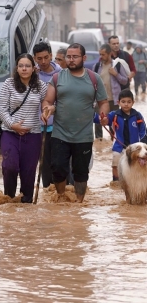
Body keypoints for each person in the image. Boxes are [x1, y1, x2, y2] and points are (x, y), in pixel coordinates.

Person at [41, 43, 109, 203]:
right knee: (57, 169)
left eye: (75, 57)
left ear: (83, 58)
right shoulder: (57, 78)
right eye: (68, 57)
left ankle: (79, 203)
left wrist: (104, 115)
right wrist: (47, 109)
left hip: (83, 135)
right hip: (60, 134)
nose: (71, 60)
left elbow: (103, 102)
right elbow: (48, 100)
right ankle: (62, 197)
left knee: (81, 173)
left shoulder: (94, 78)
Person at [0, 53, 47, 203]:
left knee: (29, 173)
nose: (24, 69)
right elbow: (1, 109)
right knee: (10, 167)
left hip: (33, 136)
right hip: (10, 133)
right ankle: (9, 199)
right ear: (17, 68)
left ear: (33, 68)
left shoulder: (41, 86)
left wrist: (45, 112)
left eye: (27, 66)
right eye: (21, 66)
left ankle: (26, 205)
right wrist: (13, 125)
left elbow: (47, 103)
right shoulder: (9, 84)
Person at [94, 89, 146, 182]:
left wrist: (143, 145)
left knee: (136, 165)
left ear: (133, 103)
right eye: (123, 102)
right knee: (115, 163)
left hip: (134, 148)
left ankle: (134, 181)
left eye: (129, 102)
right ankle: (116, 182)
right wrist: (97, 117)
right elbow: (103, 120)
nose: (126, 104)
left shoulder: (138, 116)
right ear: (118, 102)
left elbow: (143, 131)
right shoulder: (114, 115)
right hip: (118, 147)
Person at [33, 42, 62, 188]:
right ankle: (47, 193)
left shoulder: (61, 74)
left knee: (58, 163)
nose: (43, 62)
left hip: (58, 127)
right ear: (35, 58)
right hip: (38, 127)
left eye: (46, 57)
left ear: (51, 55)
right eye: (39, 59)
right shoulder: (32, 75)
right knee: (43, 163)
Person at [93, 44, 128, 140]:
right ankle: (99, 143)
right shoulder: (96, 66)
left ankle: (114, 142)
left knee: (113, 123)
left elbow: (125, 81)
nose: (101, 57)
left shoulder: (117, 65)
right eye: (100, 54)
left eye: (103, 54)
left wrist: (116, 74)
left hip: (114, 99)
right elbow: (92, 83)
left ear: (110, 54)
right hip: (100, 99)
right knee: (98, 123)